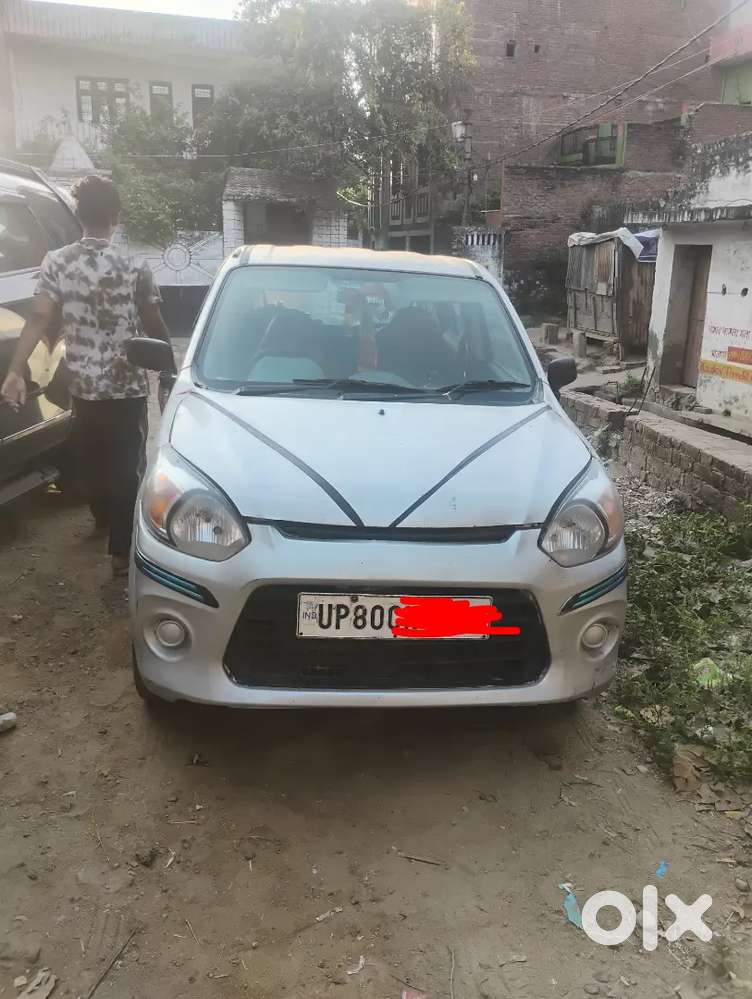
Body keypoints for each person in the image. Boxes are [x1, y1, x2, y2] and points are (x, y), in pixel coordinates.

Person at [0, 175, 174, 577]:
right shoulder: (134, 265)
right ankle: (120, 552)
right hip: (126, 385)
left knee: (93, 458)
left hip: (83, 386)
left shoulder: (57, 262)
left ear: (79, 215)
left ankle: (101, 516)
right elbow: (153, 320)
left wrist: (15, 370)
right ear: (116, 216)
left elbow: (41, 317)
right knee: (128, 463)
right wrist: (173, 366)